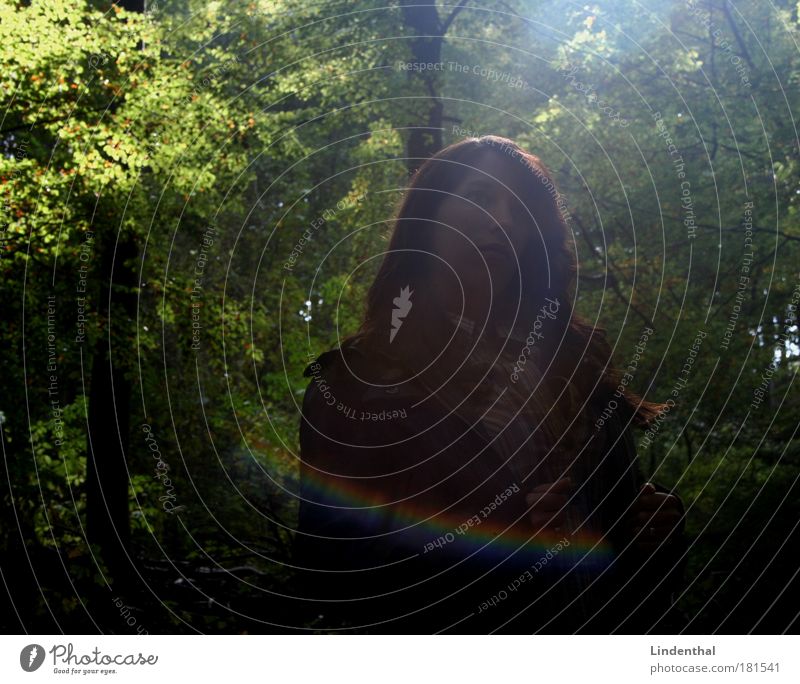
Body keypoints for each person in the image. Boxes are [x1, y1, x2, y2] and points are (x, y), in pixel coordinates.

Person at [292, 135, 686, 634]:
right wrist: (502, 538)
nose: (503, 220)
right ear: (429, 218)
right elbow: (328, 571)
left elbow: (618, 556)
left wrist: (653, 536)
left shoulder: (575, 368)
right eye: (480, 197)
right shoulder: (359, 383)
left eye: (518, 209)